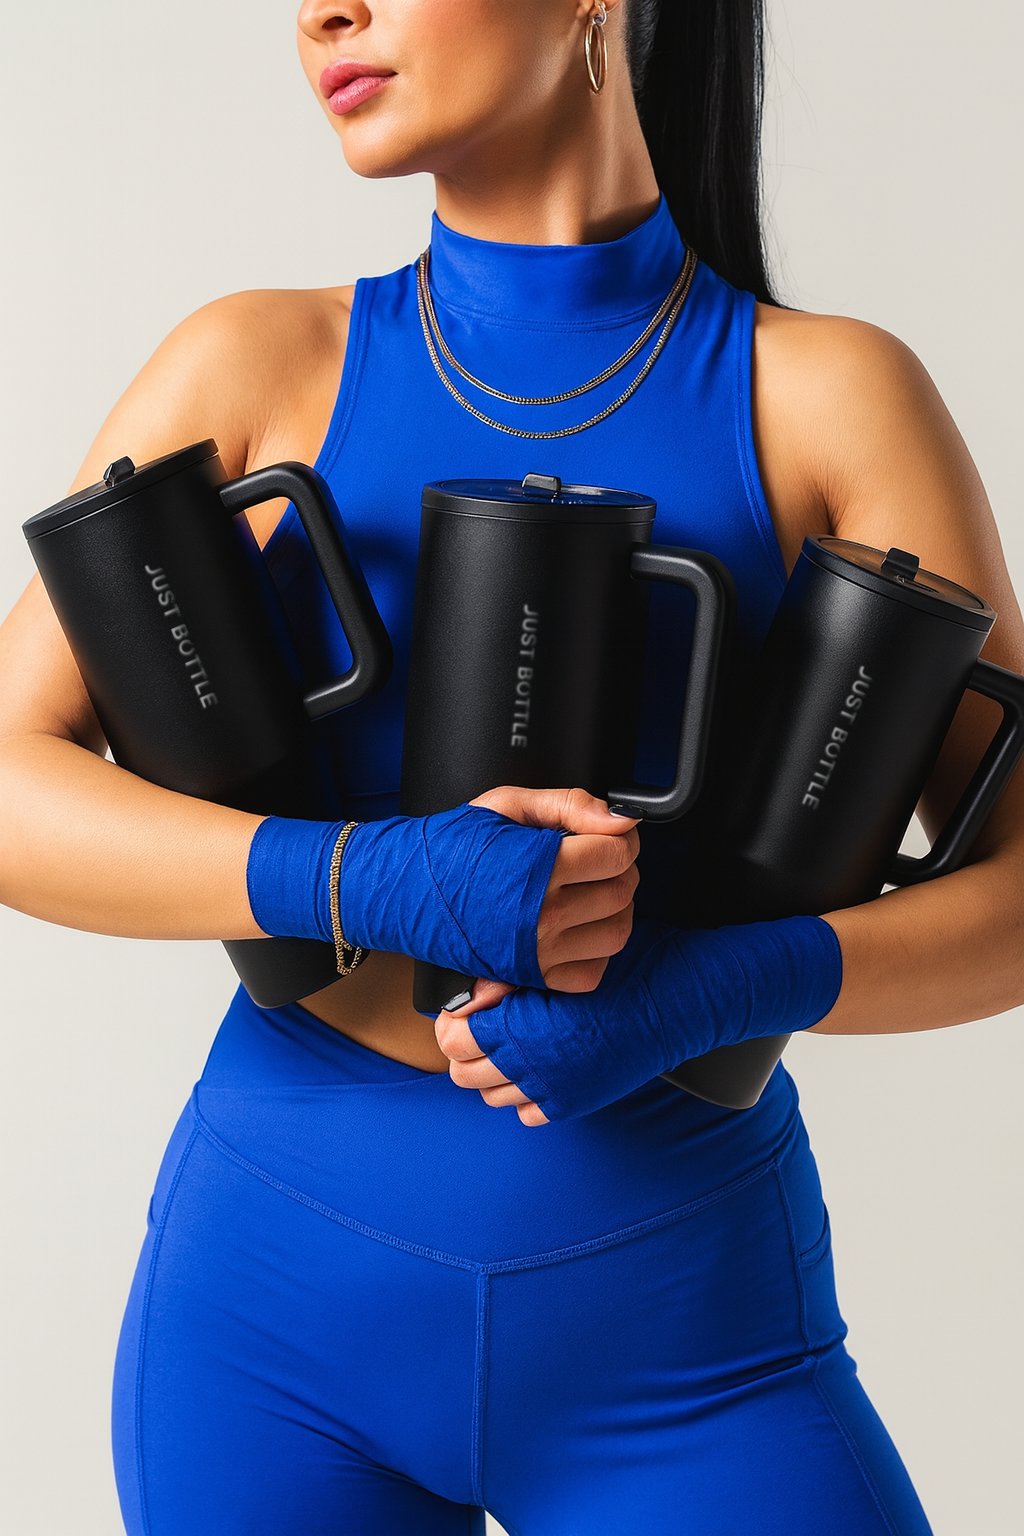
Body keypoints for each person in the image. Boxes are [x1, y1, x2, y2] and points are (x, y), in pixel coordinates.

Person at [2, 1, 1023, 1531]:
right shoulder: (260, 363)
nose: (322, 12)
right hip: (269, 1332)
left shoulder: (824, 395)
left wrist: (718, 987)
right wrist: (365, 876)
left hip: (690, 1349)